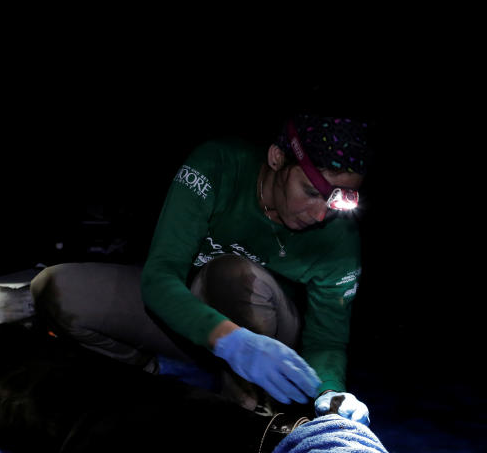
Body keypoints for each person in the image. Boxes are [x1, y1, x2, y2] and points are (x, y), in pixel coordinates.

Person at [31, 114, 373, 425]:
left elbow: (327, 338)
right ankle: (145, 378)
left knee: (235, 277)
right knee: (57, 289)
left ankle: (249, 412)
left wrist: (330, 393)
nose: (319, 216)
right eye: (311, 192)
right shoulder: (218, 166)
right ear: (276, 158)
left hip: (271, 346)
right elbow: (160, 276)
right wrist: (232, 343)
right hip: (196, 323)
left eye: (335, 202)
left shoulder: (339, 234)